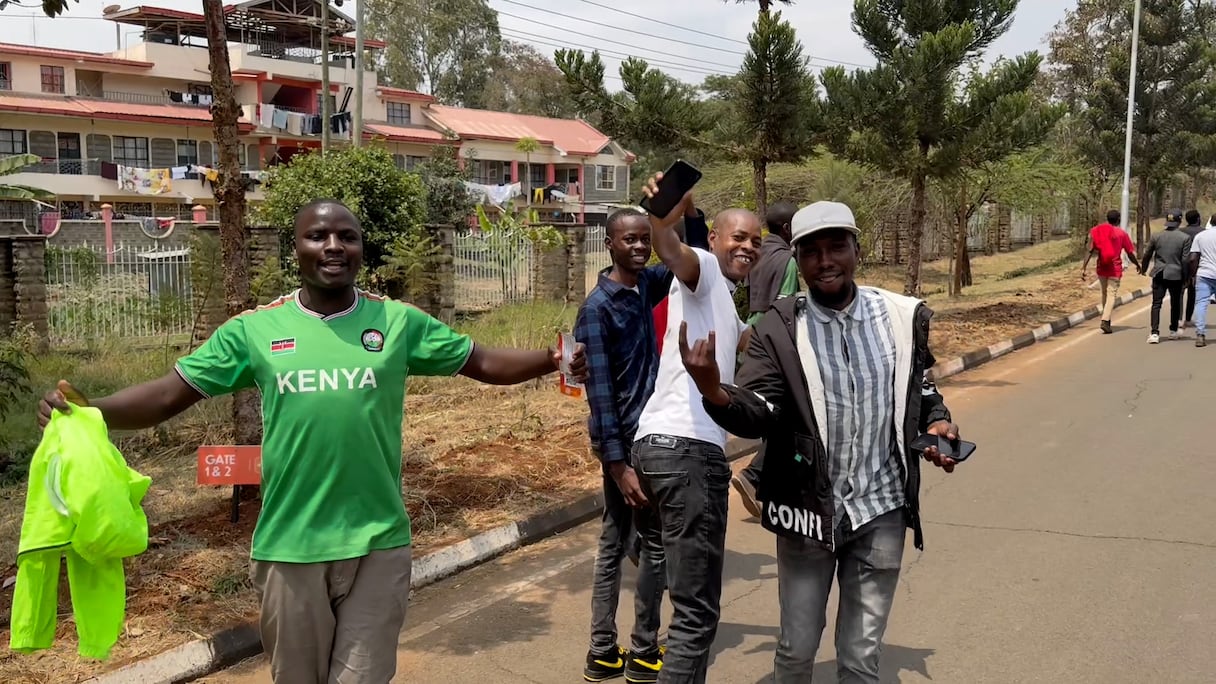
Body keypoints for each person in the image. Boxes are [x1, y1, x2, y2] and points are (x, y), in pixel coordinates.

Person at [36, 199, 587, 684]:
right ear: (295, 249)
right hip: (289, 547)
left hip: (378, 544)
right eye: (317, 235)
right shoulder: (254, 330)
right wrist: (91, 410)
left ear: (361, 249)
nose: (333, 246)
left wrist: (550, 359)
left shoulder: (397, 322)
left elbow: (481, 361)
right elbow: (167, 395)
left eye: (347, 236)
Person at [677, 200, 959, 684]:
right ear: (797, 260)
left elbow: (921, 387)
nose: (825, 261)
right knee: (796, 648)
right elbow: (758, 410)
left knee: (861, 657)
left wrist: (938, 422)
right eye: (811, 252)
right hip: (807, 510)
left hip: (881, 509)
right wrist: (714, 391)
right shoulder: (778, 328)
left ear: (856, 250)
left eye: (836, 247)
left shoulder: (899, 316)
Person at [632, 174, 761, 684]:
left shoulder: (723, 299)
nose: (748, 247)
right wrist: (662, 216)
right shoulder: (704, 270)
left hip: (656, 448)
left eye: (756, 241)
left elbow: (751, 340)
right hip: (688, 451)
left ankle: (644, 650)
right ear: (714, 240)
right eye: (738, 237)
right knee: (696, 614)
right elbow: (669, 248)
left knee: (677, 588)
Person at [577, 208, 676, 684]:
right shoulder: (597, 308)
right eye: (629, 240)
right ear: (610, 245)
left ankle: (603, 653)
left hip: (645, 436)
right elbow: (599, 395)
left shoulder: (645, 286)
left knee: (618, 541)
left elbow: (688, 254)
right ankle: (641, 651)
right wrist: (618, 466)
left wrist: (681, 207)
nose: (639, 246)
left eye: (643, 238)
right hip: (626, 444)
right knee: (647, 545)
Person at [733, 200, 800, 519]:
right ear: (787, 228)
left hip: (749, 334)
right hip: (774, 338)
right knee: (790, 414)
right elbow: (787, 306)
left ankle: (768, 488)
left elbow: (748, 296)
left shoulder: (756, 255)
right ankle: (755, 476)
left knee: (766, 410)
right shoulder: (788, 259)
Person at [1081, 209, 1140, 334]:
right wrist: (1137, 264)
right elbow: (1130, 253)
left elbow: (1089, 250)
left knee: (1104, 294)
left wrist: (1084, 267)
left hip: (1102, 267)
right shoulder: (1121, 234)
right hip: (1115, 268)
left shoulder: (1097, 231)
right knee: (1111, 294)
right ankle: (1105, 320)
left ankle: (1106, 318)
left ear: (1107, 219)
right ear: (1118, 220)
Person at [1139, 210, 1192, 343]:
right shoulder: (1185, 238)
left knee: (1156, 304)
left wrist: (1143, 269)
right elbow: (1185, 260)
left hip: (1159, 273)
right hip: (1176, 275)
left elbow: (1147, 254)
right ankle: (1173, 331)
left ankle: (1154, 333)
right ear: (1179, 221)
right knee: (1175, 303)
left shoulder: (1156, 236)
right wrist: (1186, 277)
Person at [1187, 221, 1216, 347]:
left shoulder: (1200, 236)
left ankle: (1200, 334)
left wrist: (1193, 275)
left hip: (1204, 274)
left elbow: (1193, 258)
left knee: (1201, 304)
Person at [1181, 209, 1207, 329]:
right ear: (1198, 219)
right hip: (1197, 266)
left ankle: (1178, 319)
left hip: (1181, 266)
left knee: (1179, 293)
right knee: (1192, 294)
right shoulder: (1204, 232)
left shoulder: (1180, 232)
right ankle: (1188, 319)